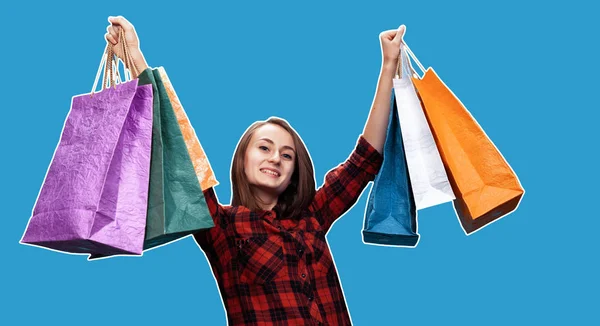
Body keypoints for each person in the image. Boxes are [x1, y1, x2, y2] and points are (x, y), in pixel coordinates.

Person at [105, 15, 405, 326]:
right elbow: (179, 157)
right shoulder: (221, 226)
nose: (275, 158)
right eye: (264, 148)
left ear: (294, 171)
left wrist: (387, 66)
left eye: (287, 155)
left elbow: (364, 160)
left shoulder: (312, 217)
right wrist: (136, 58)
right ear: (242, 160)